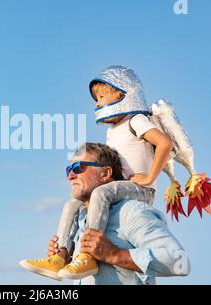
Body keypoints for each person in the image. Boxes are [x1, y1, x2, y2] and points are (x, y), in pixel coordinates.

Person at [20, 66, 174, 280]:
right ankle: (61, 255)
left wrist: (149, 179)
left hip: (140, 189)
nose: (97, 102)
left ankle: (87, 256)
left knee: (99, 194)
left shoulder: (136, 120)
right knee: (71, 204)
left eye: (101, 96)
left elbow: (165, 144)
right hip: (119, 188)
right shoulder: (112, 131)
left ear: (121, 95)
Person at [25, 143, 190, 284]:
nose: (70, 176)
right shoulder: (81, 219)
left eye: (78, 167)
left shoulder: (130, 211)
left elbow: (179, 261)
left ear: (105, 173)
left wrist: (114, 254)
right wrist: (67, 257)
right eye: (68, 169)